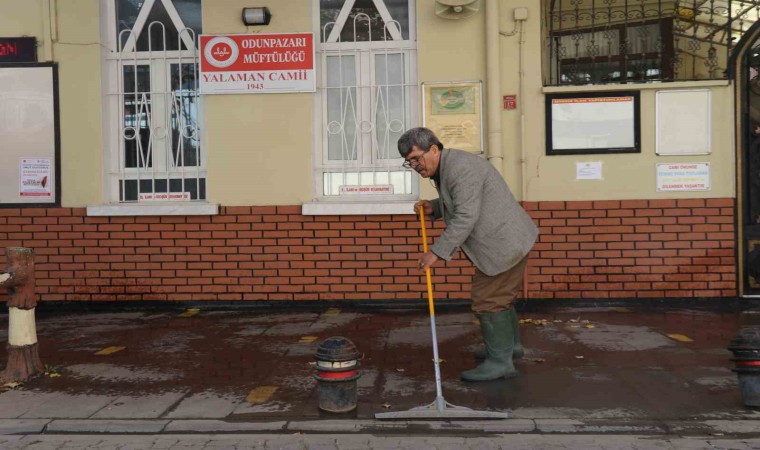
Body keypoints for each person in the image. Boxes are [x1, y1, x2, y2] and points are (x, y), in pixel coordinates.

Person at [398, 127, 538, 382]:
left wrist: (436, 253)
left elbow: (465, 216)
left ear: (433, 148)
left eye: (416, 158)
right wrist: (436, 207)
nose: (415, 165)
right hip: (504, 240)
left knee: (488, 300)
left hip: (504, 243)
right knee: (500, 297)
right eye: (409, 161)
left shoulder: (460, 169)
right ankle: (510, 349)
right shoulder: (449, 166)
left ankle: (500, 362)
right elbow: (465, 200)